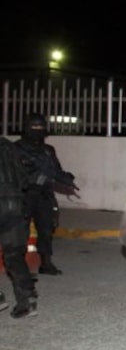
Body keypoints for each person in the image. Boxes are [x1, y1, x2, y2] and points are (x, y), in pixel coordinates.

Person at [15, 113, 76, 275]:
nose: (37, 130)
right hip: (24, 196)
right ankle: (19, 265)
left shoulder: (48, 151)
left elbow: (56, 170)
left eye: (40, 127)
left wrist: (66, 178)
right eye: (33, 126)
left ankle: (46, 263)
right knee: (21, 231)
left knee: (46, 230)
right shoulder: (16, 149)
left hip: (44, 196)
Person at [0, 136, 38, 318]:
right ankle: (27, 300)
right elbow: (26, 175)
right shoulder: (10, 146)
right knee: (14, 255)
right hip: (15, 204)